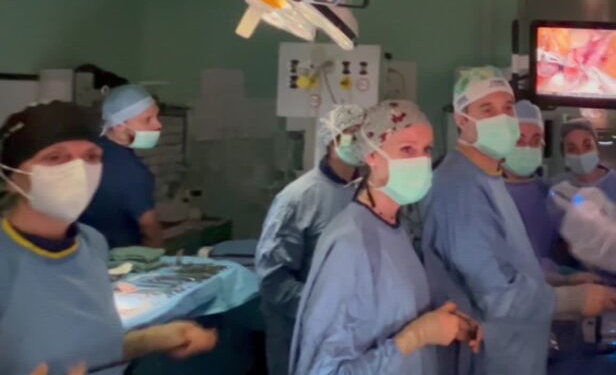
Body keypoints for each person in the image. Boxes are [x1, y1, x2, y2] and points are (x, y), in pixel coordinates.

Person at [423, 67, 616, 375]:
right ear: (462, 120)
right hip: (487, 357)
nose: (502, 118)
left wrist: (560, 280)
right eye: (487, 109)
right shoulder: (458, 188)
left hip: (514, 350)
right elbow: (496, 295)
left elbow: (510, 265)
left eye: (507, 108)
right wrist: (574, 299)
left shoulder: (487, 178)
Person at [0, 101, 217, 375]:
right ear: (10, 176)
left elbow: (90, 350)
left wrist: (151, 339)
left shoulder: (91, 243)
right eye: (55, 158)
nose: (78, 170)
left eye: (91, 157)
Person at [291, 100, 482, 374]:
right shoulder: (351, 243)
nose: (420, 161)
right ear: (372, 156)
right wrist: (416, 337)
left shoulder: (394, 227)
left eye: (426, 150)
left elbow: (388, 312)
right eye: (407, 149)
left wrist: (442, 324)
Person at [255, 104, 366, 375]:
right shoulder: (299, 198)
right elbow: (273, 280)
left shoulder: (367, 191)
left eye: (366, 134)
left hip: (352, 327)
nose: (362, 141)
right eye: (353, 135)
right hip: (301, 329)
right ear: (332, 141)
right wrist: (326, 309)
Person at [79, 84, 164, 248]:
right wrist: (157, 257)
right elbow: (149, 228)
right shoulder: (131, 171)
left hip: (84, 253)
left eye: (157, 117)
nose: (158, 125)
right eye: (147, 119)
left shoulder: (89, 151)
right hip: (118, 257)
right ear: (119, 125)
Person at [502, 100, 559, 268]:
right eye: (519, 140)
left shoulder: (547, 192)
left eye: (535, 141)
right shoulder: (487, 193)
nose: (527, 148)